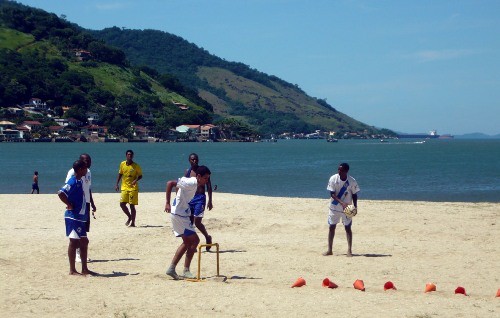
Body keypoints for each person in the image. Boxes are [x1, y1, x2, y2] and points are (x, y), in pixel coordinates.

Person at [164, 165, 212, 280]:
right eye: (205, 178)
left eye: (208, 179)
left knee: (186, 242)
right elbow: (170, 183)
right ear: (199, 176)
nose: (207, 181)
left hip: (179, 213)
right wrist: (167, 203)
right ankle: (186, 270)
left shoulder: (195, 184)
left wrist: (179, 200)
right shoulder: (191, 182)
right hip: (180, 215)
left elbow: (180, 189)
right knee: (195, 240)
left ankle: (172, 268)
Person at [57, 159, 95, 276]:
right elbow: (61, 193)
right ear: (79, 169)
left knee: (84, 241)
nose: (86, 170)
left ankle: (84, 268)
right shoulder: (73, 181)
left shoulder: (79, 181)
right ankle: (72, 270)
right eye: (84, 168)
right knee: (74, 242)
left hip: (80, 217)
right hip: (73, 217)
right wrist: (68, 204)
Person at [324, 162, 360, 257]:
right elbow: (332, 194)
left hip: (347, 209)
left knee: (348, 228)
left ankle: (349, 250)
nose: (339, 171)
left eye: (341, 170)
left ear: (346, 171)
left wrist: (355, 207)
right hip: (334, 208)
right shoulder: (333, 178)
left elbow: (355, 194)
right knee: (331, 227)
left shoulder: (352, 181)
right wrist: (341, 203)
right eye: (338, 169)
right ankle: (329, 250)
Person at [66, 153, 97, 263]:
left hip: (86, 204)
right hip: (77, 205)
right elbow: (67, 188)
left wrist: (92, 203)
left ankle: (81, 254)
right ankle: (77, 255)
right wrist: (70, 203)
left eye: (89, 160)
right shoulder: (72, 172)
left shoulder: (88, 172)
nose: (88, 163)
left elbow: (88, 188)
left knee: (84, 231)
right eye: (86, 161)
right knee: (76, 232)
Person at [184, 153, 214, 251]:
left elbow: (209, 186)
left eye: (196, 159)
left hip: (200, 198)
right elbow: (185, 186)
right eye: (192, 159)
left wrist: (210, 200)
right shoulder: (187, 172)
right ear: (189, 160)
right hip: (191, 198)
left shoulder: (203, 170)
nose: (194, 161)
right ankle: (193, 242)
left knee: (197, 221)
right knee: (190, 221)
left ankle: (207, 237)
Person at [115, 150, 142, 227]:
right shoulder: (122, 164)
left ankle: (133, 223)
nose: (129, 156)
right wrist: (116, 184)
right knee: (122, 204)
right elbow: (120, 174)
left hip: (133, 188)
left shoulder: (136, 166)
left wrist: (135, 180)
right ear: (126, 155)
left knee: (132, 206)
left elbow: (140, 176)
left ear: (133, 156)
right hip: (124, 187)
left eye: (131, 155)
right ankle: (129, 216)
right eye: (128, 154)